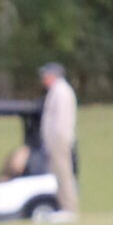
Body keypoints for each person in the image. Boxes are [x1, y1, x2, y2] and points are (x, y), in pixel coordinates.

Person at [38, 60, 79, 216]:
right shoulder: (56, 91)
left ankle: (69, 208)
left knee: (63, 174)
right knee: (58, 174)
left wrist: (56, 140)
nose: (43, 79)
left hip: (59, 140)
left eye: (45, 75)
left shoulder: (61, 91)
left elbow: (61, 120)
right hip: (55, 140)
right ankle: (63, 207)